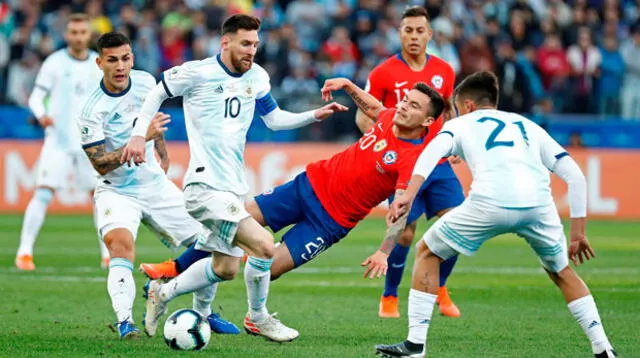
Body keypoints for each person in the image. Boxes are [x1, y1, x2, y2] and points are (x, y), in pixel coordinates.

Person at [122, 14, 347, 342]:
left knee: (225, 268)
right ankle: (258, 317)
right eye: (245, 43)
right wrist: (139, 135)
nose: (251, 50)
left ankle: (162, 292)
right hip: (203, 187)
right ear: (225, 42)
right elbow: (157, 93)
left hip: (232, 189)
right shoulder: (197, 72)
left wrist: (313, 114)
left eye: (255, 44)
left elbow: (273, 119)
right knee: (264, 246)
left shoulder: (257, 76)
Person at [140, 77, 446, 316]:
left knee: (266, 270)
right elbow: (375, 108)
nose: (404, 106)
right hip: (306, 187)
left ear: (428, 122)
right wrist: (349, 86)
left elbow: (402, 208)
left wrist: (384, 251)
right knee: (234, 220)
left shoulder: (413, 160)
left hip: (330, 222)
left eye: (414, 106)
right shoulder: (390, 117)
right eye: (406, 100)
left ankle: (238, 302)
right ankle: (177, 267)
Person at [375, 71, 617, 358]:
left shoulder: (462, 123)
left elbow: (430, 152)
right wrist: (577, 233)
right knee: (562, 271)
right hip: (538, 205)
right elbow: (575, 176)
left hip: (489, 202)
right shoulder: (527, 125)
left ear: (467, 106)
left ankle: (415, 345)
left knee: (427, 252)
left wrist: (409, 194)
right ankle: (604, 348)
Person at [78, 32, 238, 339]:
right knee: (120, 246)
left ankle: (203, 313)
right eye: (112, 60)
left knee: (211, 242)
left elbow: (153, 119)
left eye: (125, 58)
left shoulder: (144, 82)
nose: (120, 66)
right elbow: (99, 164)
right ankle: (126, 322)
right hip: (117, 191)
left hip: (155, 185)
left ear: (132, 58)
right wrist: (143, 139)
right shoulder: (91, 110)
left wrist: (161, 151)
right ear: (100, 63)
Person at [357, 5, 463, 319]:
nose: (414, 36)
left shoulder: (444, 70)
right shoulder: (382, 73)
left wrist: (457, 141)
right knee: (404, 232)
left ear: (430, 34)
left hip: (439, 164)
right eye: (408, 30)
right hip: (404, 163)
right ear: (399, 33)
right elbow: (364, 115)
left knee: (458, 226)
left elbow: (449, 114)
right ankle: (389, 296)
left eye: (420, 31)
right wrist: (383, 141)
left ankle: (440, 289)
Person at [15, 13, 109, 271]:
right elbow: (36, 96)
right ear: (67, 35)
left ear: (89, 34)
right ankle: (24, 252)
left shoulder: (97, 64)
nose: (78, 37)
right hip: (57, 141)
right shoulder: (54, 63)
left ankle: (107, 254)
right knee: (44, 191)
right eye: (74, 32)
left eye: (82, 32)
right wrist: (41, 115)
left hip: (89, 143)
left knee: (99, 196)